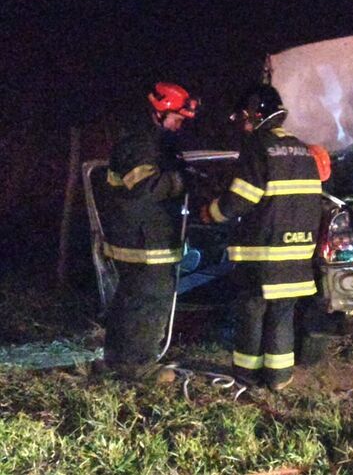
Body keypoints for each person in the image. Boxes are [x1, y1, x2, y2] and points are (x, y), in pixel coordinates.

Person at [201, 84, 322, 391]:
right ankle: (279, 379)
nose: (242, 125)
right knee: (282, 315)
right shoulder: (302, 149)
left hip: (263, 255)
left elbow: (242, 197)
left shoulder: (258, 146)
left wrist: (211, 213)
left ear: (254, 115)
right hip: (297, 254)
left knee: (252, 313)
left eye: (242, 118)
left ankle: (246, 377)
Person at [101, 82, 199, 382]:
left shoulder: (150, 142)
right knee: (149, 300)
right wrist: (181, 180)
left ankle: (118, 361)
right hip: (142, 240)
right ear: (159, 113)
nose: (180, 125)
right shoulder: (140, 144)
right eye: (177, 119)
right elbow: (145, 187)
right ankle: (138, 365)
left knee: (131, 300)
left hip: (145, 237)